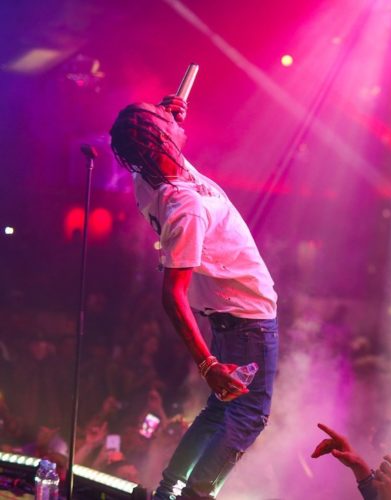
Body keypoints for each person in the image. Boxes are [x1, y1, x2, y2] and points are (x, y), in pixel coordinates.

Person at [109, 95, 279, 499]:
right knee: (249, 416)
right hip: (247, 319)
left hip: (232, 315)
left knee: (219, 411)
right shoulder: (184, 206)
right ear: (158, 142)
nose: (171, 117)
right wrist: (208, 364)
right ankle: (194, 496)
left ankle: (167, 491)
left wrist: (165, 117)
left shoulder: (148, 176)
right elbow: (173, 295)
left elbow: (148, 137)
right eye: (162, 119)